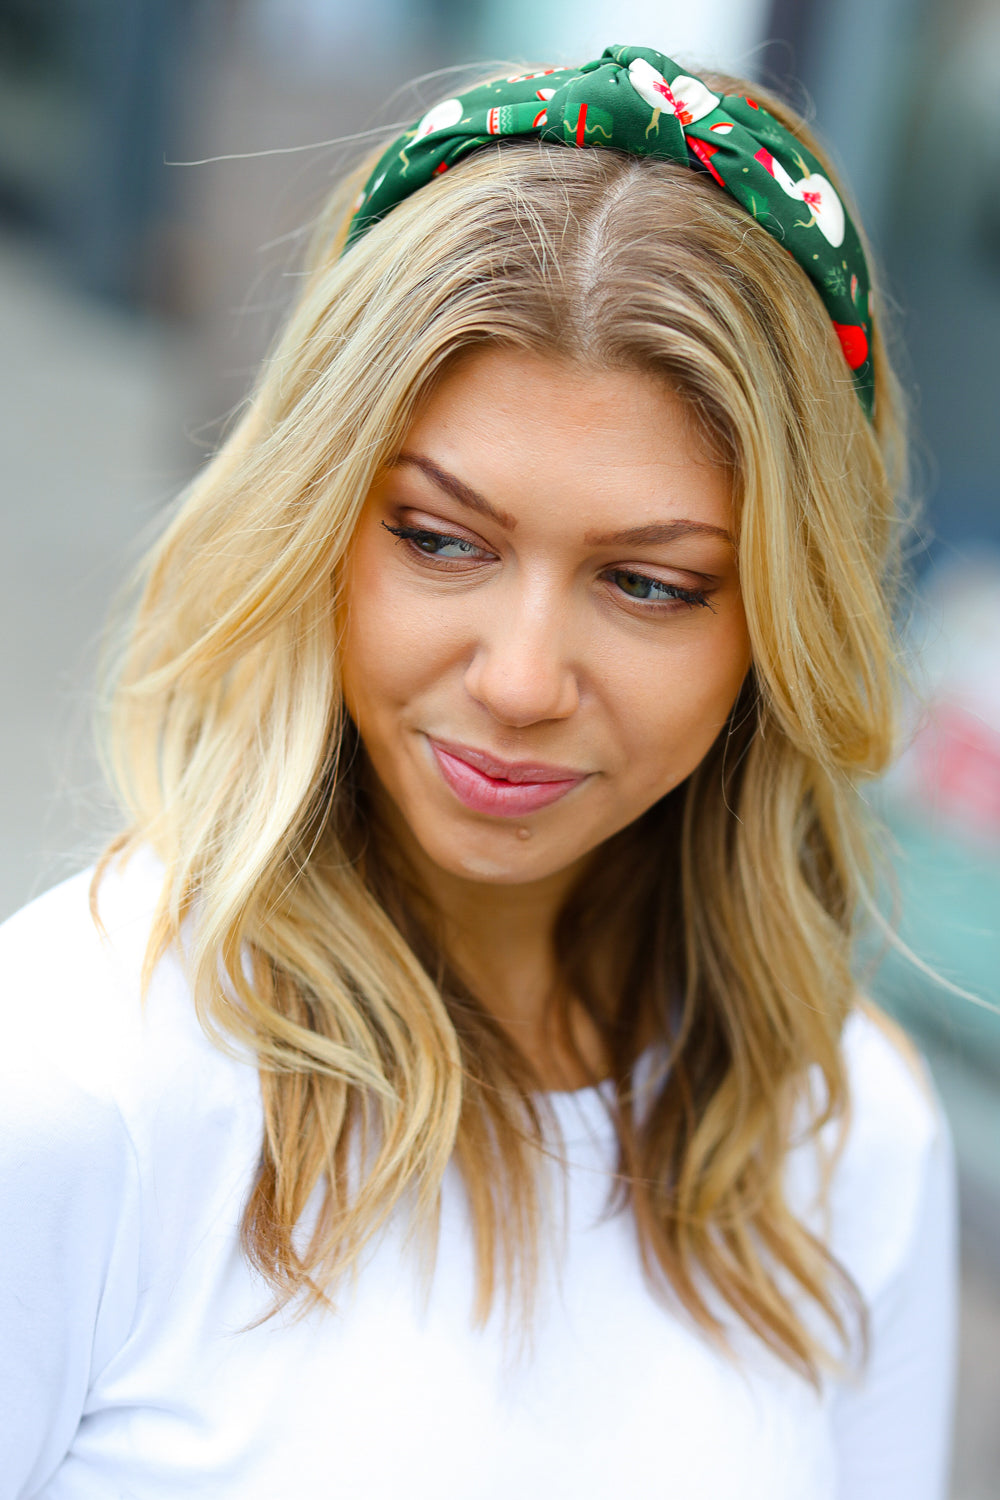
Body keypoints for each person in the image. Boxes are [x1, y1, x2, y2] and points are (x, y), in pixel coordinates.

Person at [1, 44, 956, 1500]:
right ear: (316, 521)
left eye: (650, 585)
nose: (517, 680)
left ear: (785, 623)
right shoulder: (79, 1082)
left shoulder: (848, 1139)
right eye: (441, 540)